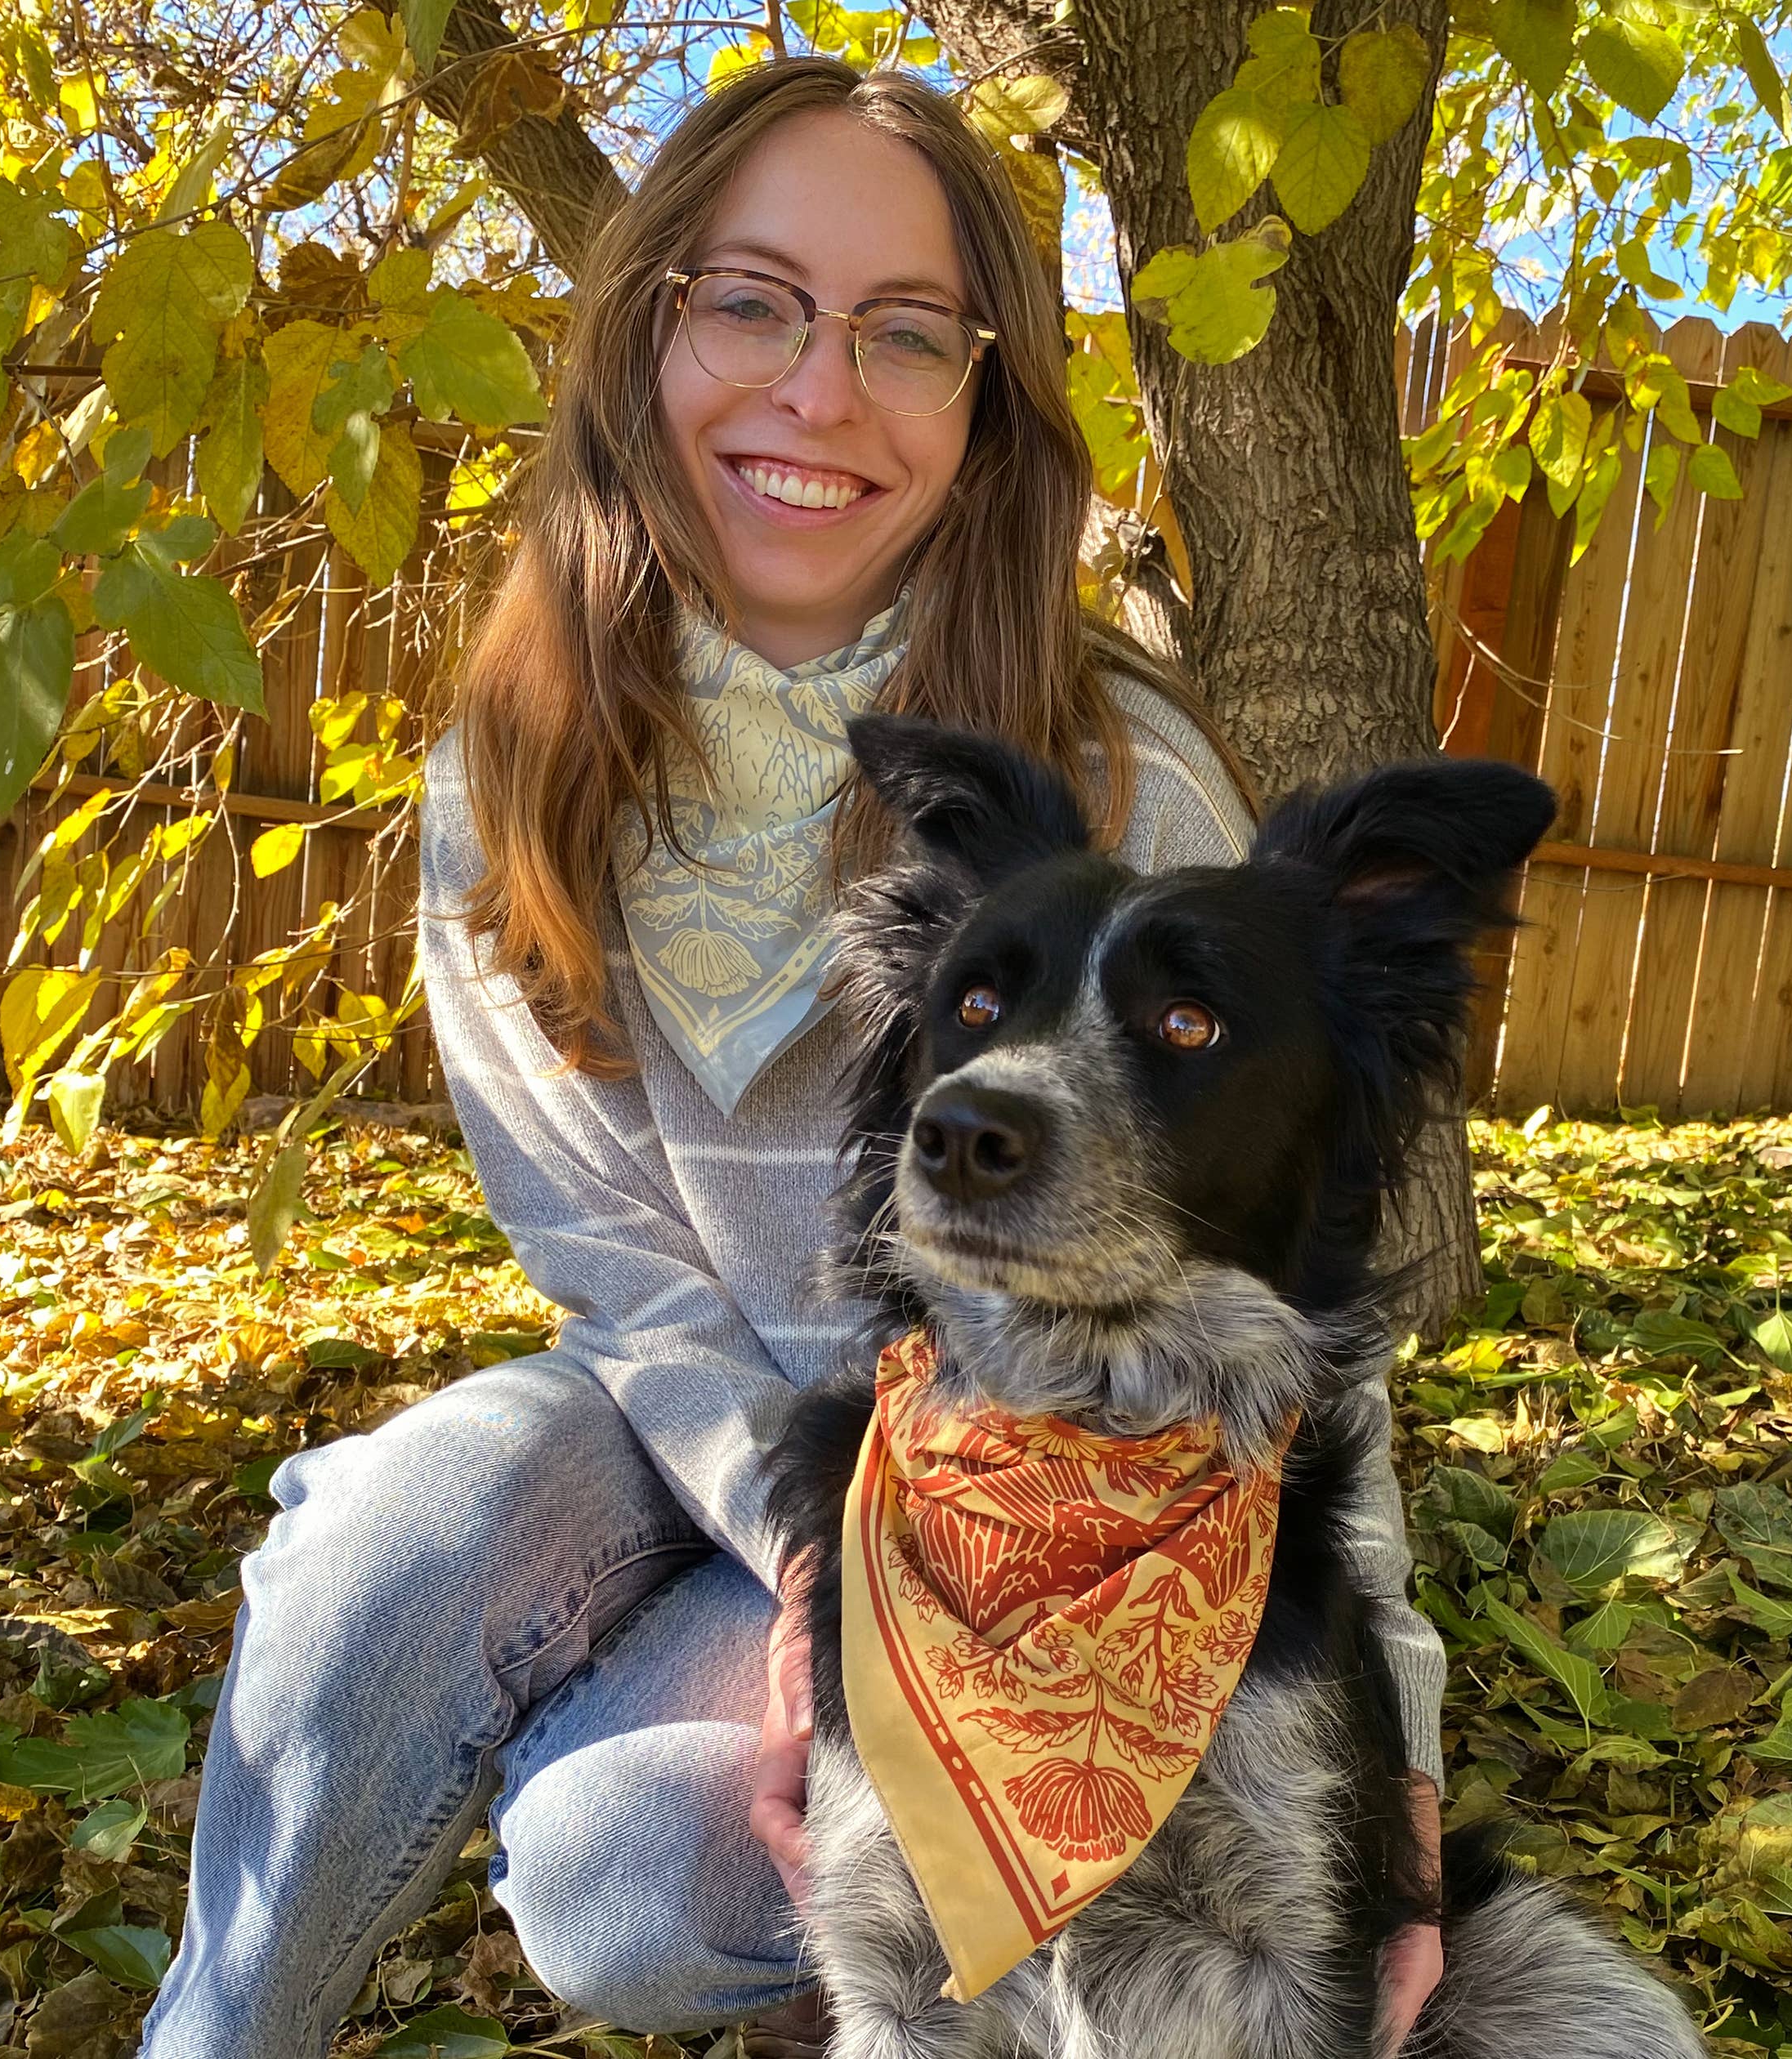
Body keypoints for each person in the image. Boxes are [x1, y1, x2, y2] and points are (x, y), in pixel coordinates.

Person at [137, 56, 1449, 2059]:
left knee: (624, 1877)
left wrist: (1399, 1786)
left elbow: (1295, 1313)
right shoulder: (514, 771)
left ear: (985, 401)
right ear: (644, 324)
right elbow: (617, 1273)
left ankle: (725, 1833)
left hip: (1045, 1496)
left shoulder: (1118, 783)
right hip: (706, 1443)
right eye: (750, 302)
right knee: (387, 1540)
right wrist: (813, 1579)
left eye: (905, 333)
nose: (816, 394)